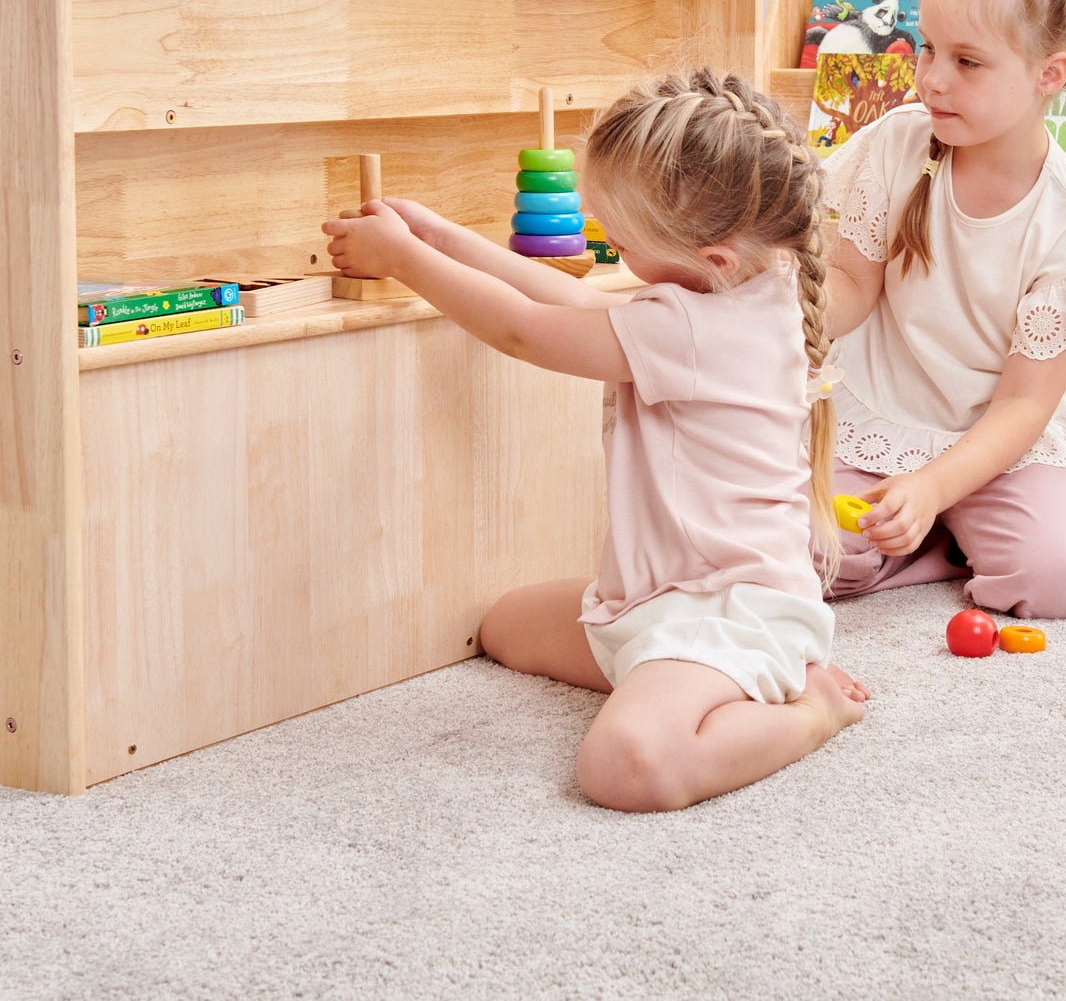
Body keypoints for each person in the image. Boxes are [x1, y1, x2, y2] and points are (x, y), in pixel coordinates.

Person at [322, 69, 866, 812]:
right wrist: (443, 235)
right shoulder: (739, 289)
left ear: (710, 255)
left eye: (617, 234)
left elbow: (524, 329)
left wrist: (405, 261)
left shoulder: (698, 328)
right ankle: (678, 676)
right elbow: (575, 298)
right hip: (651, 601)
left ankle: (811, 711)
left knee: (624, 765)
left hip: (730, 612)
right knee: (501, 625)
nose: (607, 242)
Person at [819, 0, 1066, 618]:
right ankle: (928, 540)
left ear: (1048, 75)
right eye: (927, 49)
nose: (932, 77)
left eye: (967, 61)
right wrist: (776, 324)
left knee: (1062, 577)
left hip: (994, 447)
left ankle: (941, 525)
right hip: (879, 414)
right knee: (801, 551)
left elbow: (1022, 407)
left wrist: (935, 486)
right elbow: (849, 283)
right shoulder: (896, 145)